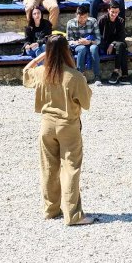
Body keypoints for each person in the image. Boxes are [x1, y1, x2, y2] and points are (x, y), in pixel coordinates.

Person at [21, 34, 95, 226]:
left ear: (48, 51)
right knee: (70, 168)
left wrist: (40, 58)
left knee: (48, 167)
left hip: (46, 126)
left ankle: (51, 209)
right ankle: (73, 215)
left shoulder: (41, 72)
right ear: (66, 50)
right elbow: (86, 102)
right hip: (68, 125)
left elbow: (25, 72)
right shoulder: (75, 76)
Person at [65, 4, 102, 83]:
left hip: (90, 43)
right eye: (80, 17)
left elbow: (98, 39)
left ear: (87, 15)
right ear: (76, 15)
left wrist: (89, 42)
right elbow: (68, 41)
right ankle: (80, 74)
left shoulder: (93, 21)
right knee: (82, 48)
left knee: (94, 48)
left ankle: (97, 76)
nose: (82, 20)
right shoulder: (70, 23)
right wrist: (79, 42)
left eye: (85, 17)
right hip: (77, 45)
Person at [97, 2, 130, 84]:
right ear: (108, 10)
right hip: (104, 45)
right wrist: (108, 44)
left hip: (116, 45)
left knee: (120, 45)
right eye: (112, 12)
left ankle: (116, 71)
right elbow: (98, 35)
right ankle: (124, 75)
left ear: (119, 12)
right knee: (123, 48)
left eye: (116, 12)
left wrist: (112, 44)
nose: (114, 14)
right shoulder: (102, 20)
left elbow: (121, 37)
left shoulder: (121, 21)